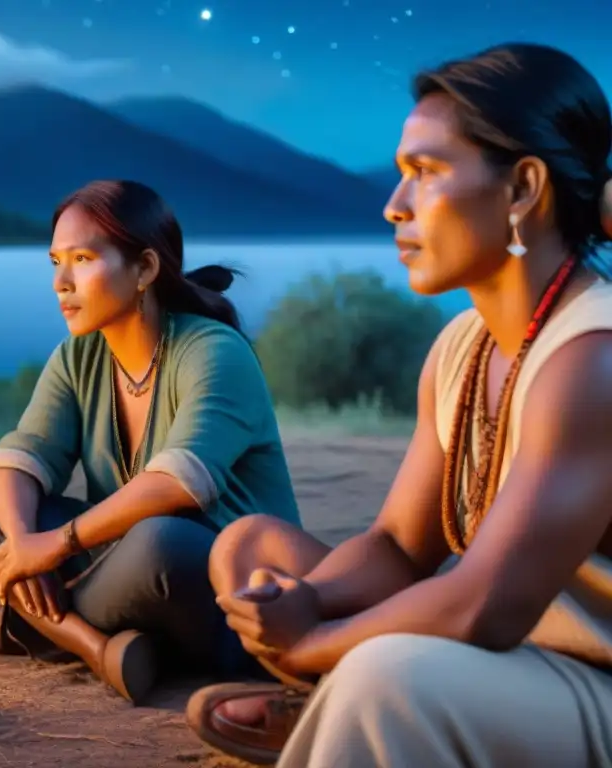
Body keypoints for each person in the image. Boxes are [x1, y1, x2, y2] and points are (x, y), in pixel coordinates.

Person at [186, 42, 612, 767]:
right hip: (506, 657)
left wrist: (316, 641)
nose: (394, 205)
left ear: (521, 189)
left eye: (426, 172)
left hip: (588, 681)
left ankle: (355, 702)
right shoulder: (462, 346)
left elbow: (485, 602)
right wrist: (303, 604)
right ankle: (350, 705)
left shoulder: (591, 356)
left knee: (386, 677)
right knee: (249, 550)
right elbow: (398, 547)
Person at [0, 179, 302, 705]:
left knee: (158, 541)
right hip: (122, 573)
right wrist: (24, 538)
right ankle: (98, 647)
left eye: (82, 259)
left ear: (144, 269)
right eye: (55, 261)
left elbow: (177, 485)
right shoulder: (79, 358)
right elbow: (18, 458)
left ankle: (13, 629)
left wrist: (52, 546)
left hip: (219, 584)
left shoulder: (214, 351)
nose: (61, 282)